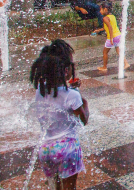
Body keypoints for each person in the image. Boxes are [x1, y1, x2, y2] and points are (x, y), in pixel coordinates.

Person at [30, 41, 90, 190]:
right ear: (65, 70)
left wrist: (70, 89)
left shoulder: (40, 91)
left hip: (46, 148)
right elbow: (84, 120)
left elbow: (56, 98)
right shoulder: (72, 95)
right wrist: (84, 102)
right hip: (67, 148)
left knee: (55, 187)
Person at [97, 1, 128, 72]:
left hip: (112, 37)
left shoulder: (105, 18)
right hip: (118, 36)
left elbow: (110, 28)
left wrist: (111, 39)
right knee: (119, 51)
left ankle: (104, 67)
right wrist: (98, 30)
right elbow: (108, 27)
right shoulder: (112, 16)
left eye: (100, 10)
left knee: (105, 52)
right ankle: (126, 63)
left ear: (105, 9)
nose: (100, 11)